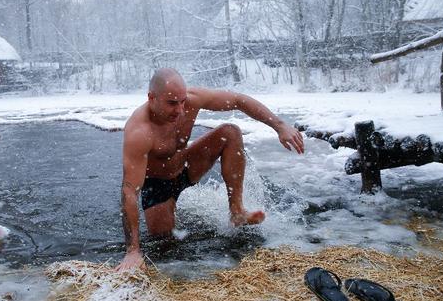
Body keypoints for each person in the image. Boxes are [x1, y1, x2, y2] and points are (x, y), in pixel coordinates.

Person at [116, 68, 304, 272]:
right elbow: (129, 191)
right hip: (157, 185)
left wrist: (279, 126)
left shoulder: (192, 100)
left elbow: (238, 100)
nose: (179, 110)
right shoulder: (139, 131)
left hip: (185, 165)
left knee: (230, 133)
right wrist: (133, 251)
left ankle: (237, 211)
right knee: (164, 242)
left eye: (182, 101)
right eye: (171, 103)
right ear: (152, 98)